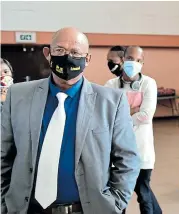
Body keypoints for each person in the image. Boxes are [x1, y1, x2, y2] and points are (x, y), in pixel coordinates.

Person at [1, 27, 140, 214]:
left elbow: (128, 159)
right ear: (48, 54)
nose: (67, 57)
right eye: (59, 51)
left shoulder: (112, 102)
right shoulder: (18, 96)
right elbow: (3, 155)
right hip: (27, 209)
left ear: (87, 59)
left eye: (75, 52)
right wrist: (4, 203)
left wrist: (115, 203)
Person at [105, 46, 162, 214]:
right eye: (130, 58)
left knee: (144, 194)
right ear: (123, 59)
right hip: (118, 151)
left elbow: (146, 116)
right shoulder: (111, 85)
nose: (133, 63)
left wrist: (121, 117)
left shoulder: (148, 83)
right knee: (118, 195)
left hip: (142, 150)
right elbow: (107, 116)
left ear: (142, 62)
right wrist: (133, 112)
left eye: (138, 60)